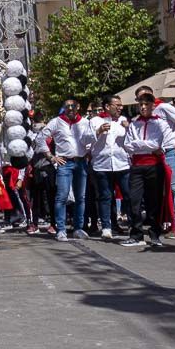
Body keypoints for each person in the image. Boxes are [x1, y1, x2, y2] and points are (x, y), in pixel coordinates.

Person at [121, 91, 169, 248]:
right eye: (140, 104)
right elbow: (128, 146)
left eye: (146, 104)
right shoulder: (134, 124)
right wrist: (144, 145)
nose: (143, 107)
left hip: (154, 166)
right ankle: (136, 234)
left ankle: (155, 235)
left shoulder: (160, 123)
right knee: (134, 201)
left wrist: (139, 144)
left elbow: (156, 144)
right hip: (137, 166)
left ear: (152, 106)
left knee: (153, 201)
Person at [42, 98, 94, 241]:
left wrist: (89, 151)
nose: (70, 109)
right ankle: (61, 229)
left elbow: (90, 139)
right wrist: (51, 157)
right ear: (64, 108)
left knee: (80, 197)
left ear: (78, 107)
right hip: (65, 163)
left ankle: (78, 228)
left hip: (81, 162)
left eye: (73, 106)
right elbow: (41, 138)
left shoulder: (84, 122)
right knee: (62, 196)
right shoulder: (56, 122)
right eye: (67, 107)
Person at [139, 85, 175, 238]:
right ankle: (170, 223)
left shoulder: (164, 107)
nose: (144, 102)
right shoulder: (146, 114)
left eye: (147, 97)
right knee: (164, 191)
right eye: (140, 99)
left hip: (172, 151)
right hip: (156, 154)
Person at [89, 96, 130, 240]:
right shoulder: (95, 121)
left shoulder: (123, 120)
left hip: (122, 164)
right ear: (107, 106)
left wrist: (129, 128)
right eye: (117, 105)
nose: (120, 107)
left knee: (128, 195)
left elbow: (131, 141)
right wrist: (98, 131)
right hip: (102, 164)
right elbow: (85, 140)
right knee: (105, 196)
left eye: (121, 105)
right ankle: (106, 227)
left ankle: (133, 226)